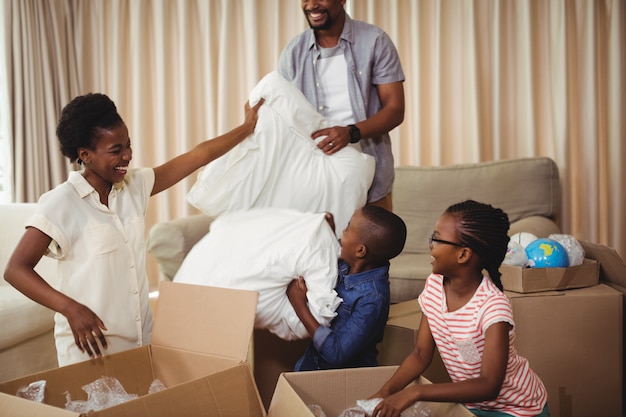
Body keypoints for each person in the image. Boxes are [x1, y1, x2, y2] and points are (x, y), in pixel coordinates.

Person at [3, 93, 263, 366]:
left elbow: (198, 156)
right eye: (116, 150)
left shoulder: (135, 185)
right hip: (90, 348)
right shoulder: (61, 203)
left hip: (139, 340)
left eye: (128, 146)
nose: (127, 156)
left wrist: (246, 128)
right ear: (85, 155)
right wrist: (71, 309)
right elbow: (16, 270)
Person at [370, 200, 550, 417]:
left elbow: (489, 385)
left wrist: (416, 392)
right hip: (472, 406)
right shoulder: (434, 285)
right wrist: (385, 392)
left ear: (463, 255)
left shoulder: (492, 307)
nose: (431, 245)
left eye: (437, 239)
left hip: (517, 410)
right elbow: (420, 354)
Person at [278, 0, 405, 211]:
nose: (311, 5)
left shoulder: (375, 41)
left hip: (371, 179)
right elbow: (282, 113)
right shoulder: (293, 51)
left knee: (374, 243)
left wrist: (350, 133)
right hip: (314, 180)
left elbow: (395, 110)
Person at [286, 205, 407, 371]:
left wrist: (299, 305)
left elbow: (337, 353)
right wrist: (328, 232)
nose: (343, 232)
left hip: (341, 381)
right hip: (310, 365)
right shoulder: (349, 263)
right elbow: (332, 250)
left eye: (348, 229)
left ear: (360, 251)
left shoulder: (372, 299)